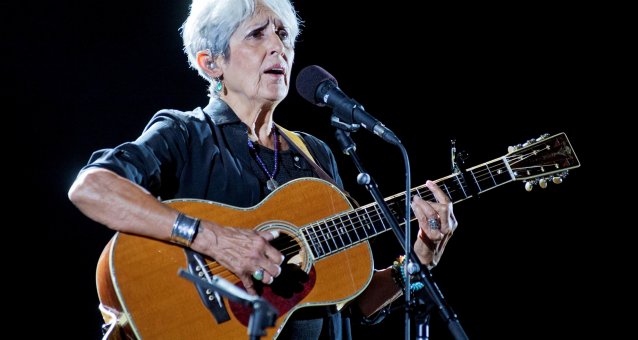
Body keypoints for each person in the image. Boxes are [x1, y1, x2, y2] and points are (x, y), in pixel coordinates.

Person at [68, 0, 458, 339]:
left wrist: (418, 259)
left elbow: (351, 300)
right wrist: (212, 239)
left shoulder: (315, 155)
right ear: (212, 62)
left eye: (284, 35)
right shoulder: (184, 134)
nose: (279, 47)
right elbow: (92, 188)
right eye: (256, 34)